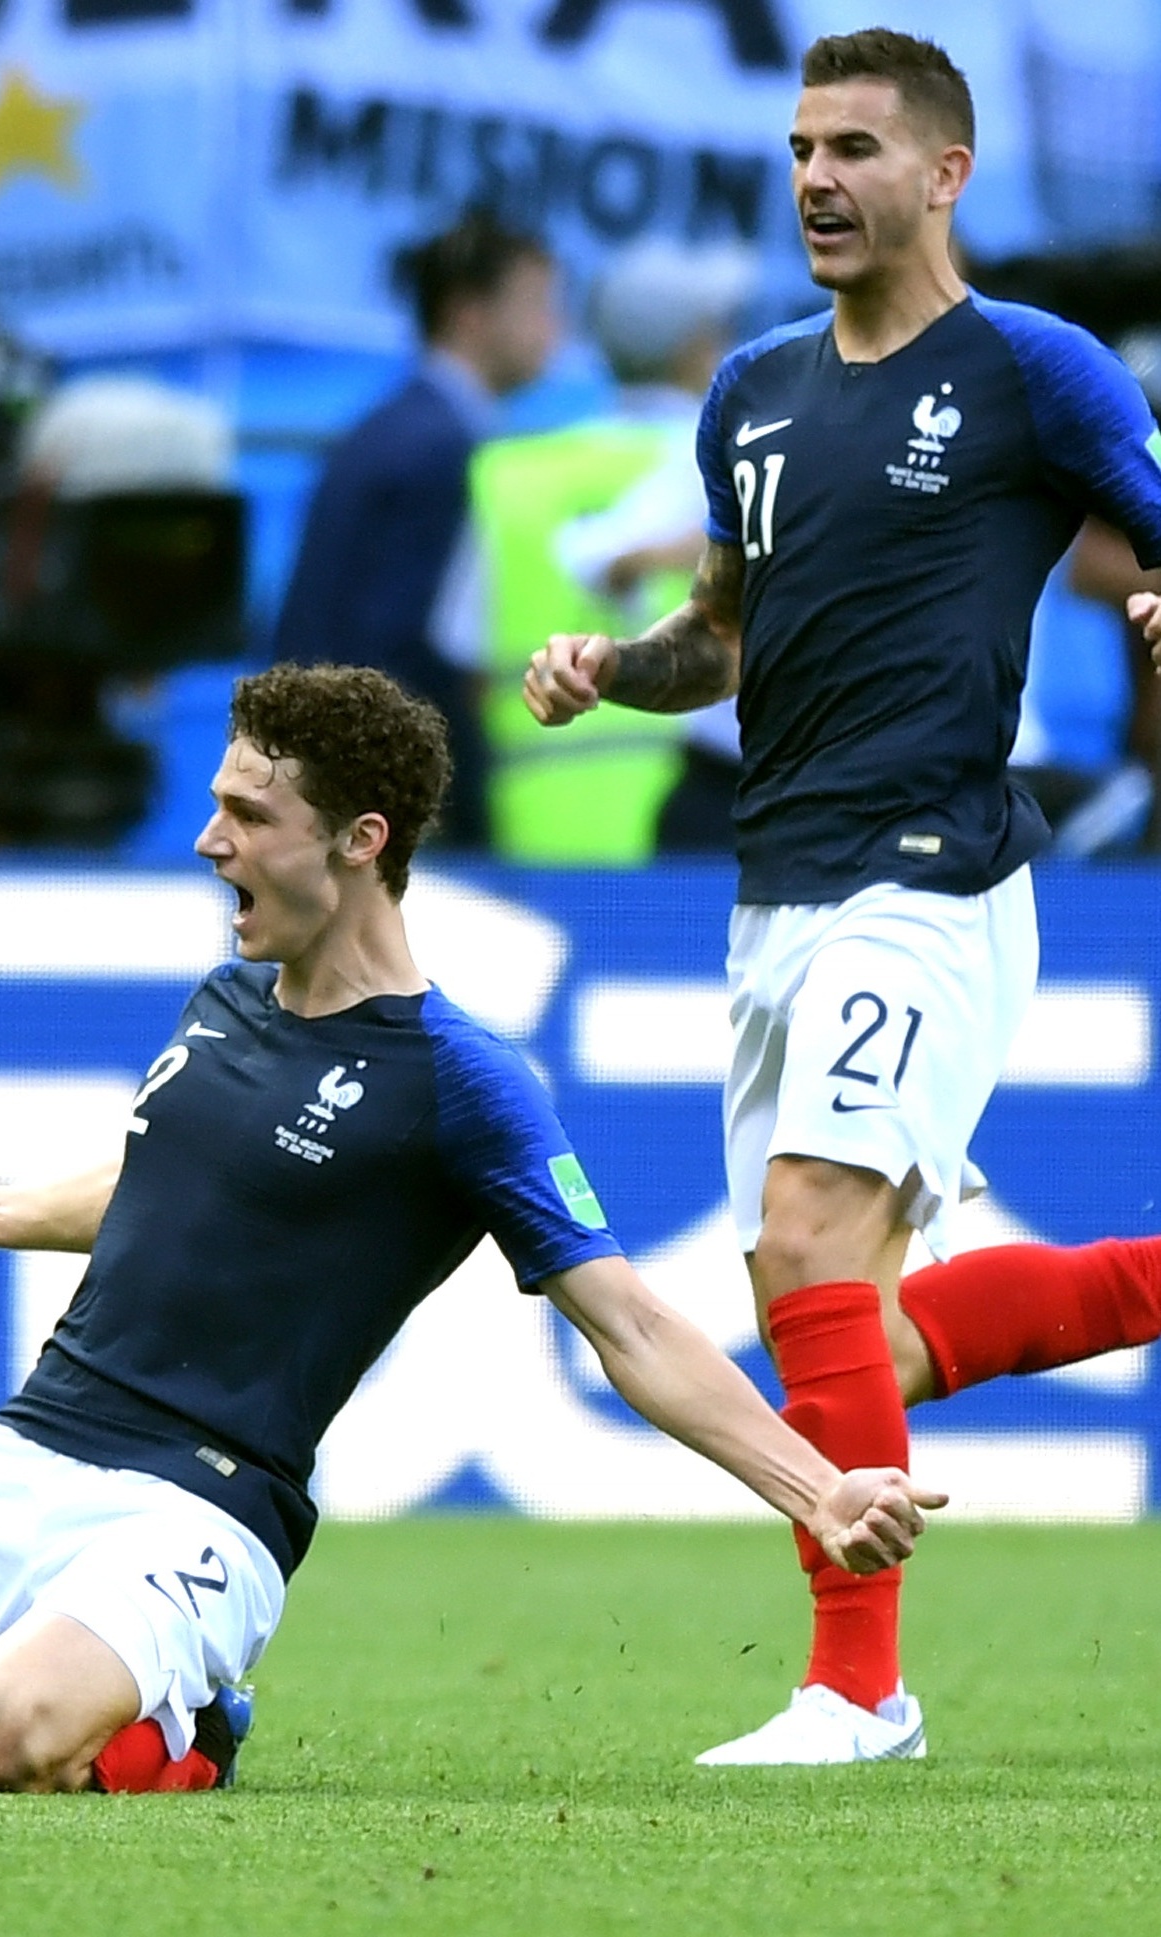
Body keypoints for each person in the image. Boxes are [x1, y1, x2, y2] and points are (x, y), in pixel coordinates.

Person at [0, 663, 941, 1795]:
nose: (208, 840)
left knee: (9, 1731)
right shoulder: (228, 994)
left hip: (201, 1505)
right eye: (215, 805)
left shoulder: (462, 1077)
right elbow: (168, 1190)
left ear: (361, 841)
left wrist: (817, 1489)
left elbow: (628, 1319)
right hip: (22, 1451)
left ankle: (192, 1728)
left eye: (248, 814)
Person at [524, 27, 1161, 1765]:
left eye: (856, 149)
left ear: (943, 175)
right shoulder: (749, 391)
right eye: (801, 146)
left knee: (805, 1235)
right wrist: (610, 664)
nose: (815, 177)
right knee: (848, 1326)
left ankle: (857, 1689)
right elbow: (717, 635)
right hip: (771, 886)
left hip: (932, 872)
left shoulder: (1033, 369)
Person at [271, 209, 560, 849]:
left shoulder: (396, 427)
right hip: (379, 798)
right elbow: (410, 645)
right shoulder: (441, 450)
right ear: (469, 314)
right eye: (537, 306)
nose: (554, 329)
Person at [459, 237, 750, 863]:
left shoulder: (512, 475)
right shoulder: (738, 464)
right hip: (697, 819)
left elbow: (470, 672)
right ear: (698, 346)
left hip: (536, 826)